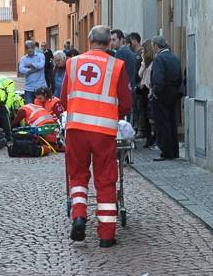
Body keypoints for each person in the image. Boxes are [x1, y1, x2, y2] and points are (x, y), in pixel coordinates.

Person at [61, 25, 132, 248]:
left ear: (89, 40)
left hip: (76, 129)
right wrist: (113, 114)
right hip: (103, 131)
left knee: (78, 175)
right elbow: (127, 103)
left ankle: (80, 215)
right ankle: (106, 236)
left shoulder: (72, 63)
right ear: (109, 42)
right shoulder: (116, 65)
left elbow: (64, 99)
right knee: (106, 179)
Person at [150, 35, 182, 161]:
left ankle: (166, 152)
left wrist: (156, 92)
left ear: (156, 46)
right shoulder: (174, 57)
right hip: (173, 94)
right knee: (172, 122)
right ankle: (174, 151)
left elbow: (158, 79)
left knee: (163, 124)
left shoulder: (159, 59)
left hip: (162, 95)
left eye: (153, 46)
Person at [138, 40, 155, 148]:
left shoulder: (154, 62)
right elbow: (140, 75)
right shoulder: (145, 62)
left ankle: (152, 139)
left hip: (149, 91)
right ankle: (149, 138)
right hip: (144, 91)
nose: (142, 52)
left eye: (144, 50)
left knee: (150, 117)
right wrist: (143, 64)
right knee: (145, 115)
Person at [127, 32, 144, 135]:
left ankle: (140, 129)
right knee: (136, 108)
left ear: (134, 40)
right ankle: (136, 127)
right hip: (135, 84)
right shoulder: (133, 54)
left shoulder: (140, 53)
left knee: (139, 108)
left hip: (139, 84)